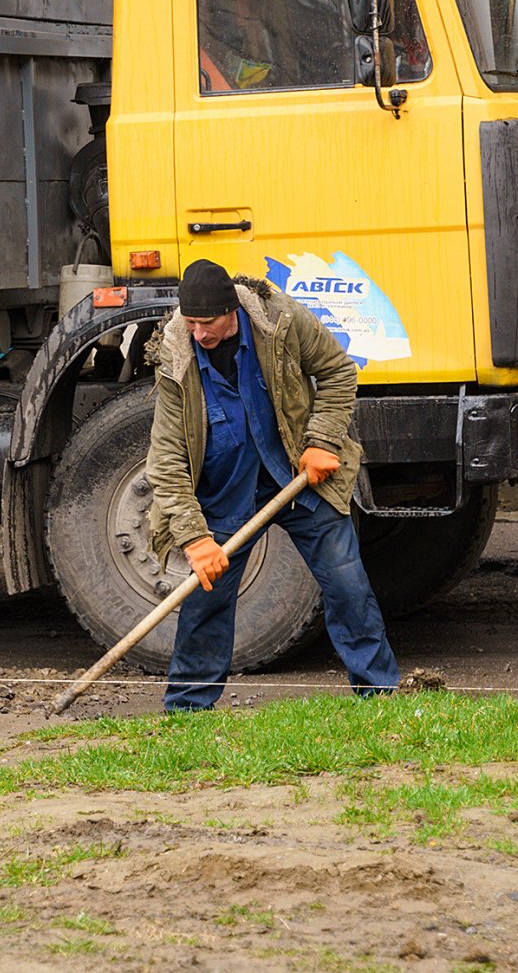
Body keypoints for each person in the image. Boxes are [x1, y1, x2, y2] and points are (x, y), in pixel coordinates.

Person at [146, 257, 398, 710]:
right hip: (225, 492)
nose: (199, 334)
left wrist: (322, 440)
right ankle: (187, 709)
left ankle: (378, 694)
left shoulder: (280, 319)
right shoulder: (175, 359)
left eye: (207, 323)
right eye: (190, 323)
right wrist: (193, 536)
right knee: (206, 601)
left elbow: (339, 372)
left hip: (298, 479)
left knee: (348, 584)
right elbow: (166, 459)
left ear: (232, 313)